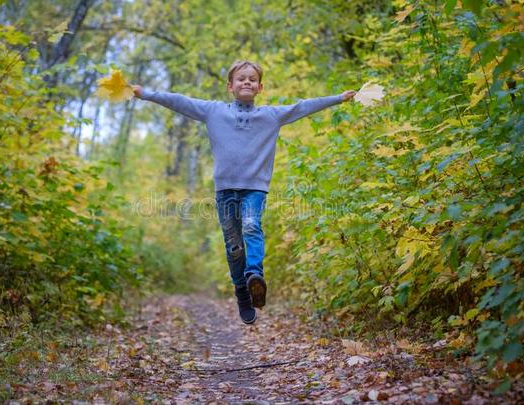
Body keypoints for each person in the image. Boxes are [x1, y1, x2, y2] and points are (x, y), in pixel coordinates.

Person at [132, 60, 356, 325]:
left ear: (260, 87)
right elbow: (180, 101)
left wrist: (338, 99)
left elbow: (303, 106)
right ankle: (242, 292)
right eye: (241, 78)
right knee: (234, 247)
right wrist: (146, 94)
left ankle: (254, 276)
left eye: (252, 79)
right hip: (225, 190)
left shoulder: (271, 116)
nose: (246, 82)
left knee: (251, 226)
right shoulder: (213, 112)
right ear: (230, 86)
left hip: (255, 188)